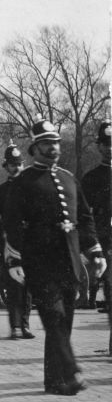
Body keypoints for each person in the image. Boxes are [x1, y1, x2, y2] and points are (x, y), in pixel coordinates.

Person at [3, 117, 106, 395]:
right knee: (55, 317)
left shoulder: (68, 178)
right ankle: (71, 371)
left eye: (56, 143)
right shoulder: (23, 181)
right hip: (39, 262)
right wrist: (14, 258)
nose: (53, 149)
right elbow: (11, 222)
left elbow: (84, 217)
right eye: (47, 144)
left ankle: (54, 380)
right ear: (34, 148)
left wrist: (94, 250)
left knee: (65, 320)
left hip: (69, 260)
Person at [0, 141, 34, 339]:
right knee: (13, 286)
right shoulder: (1, 191)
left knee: (28, 286)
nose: (16, 167)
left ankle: (25, 324)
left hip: (29, 243)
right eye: (12, 164)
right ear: (6, 166)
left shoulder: (32, 187)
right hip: (9, 245)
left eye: (19, 163)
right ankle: (14, 326)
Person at [81, 120, 111, 321]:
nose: (110, 149)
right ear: (99, 147)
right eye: (106, 144)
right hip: (106, 241)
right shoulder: (91, 178)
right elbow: (84, 215)